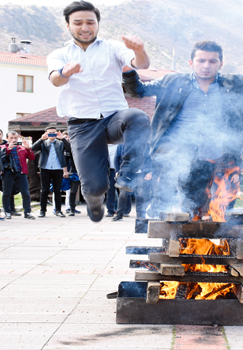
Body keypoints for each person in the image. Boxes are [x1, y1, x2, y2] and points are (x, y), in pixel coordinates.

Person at [48, 0, 151, 222]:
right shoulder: (60, 54)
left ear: (97, 24)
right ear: (68, 25)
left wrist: (140, 51)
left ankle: (127, 174)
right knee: (96, 186)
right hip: (82, 124)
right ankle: (94, 202)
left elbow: (139, 64)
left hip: (115, 117)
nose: (85, 27)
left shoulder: (112, 47)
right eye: (78, 23)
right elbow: (55, 80)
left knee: (138, 117)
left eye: (90, 22)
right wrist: (65, 72)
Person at [123, 40, 243, 218]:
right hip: (176, 154)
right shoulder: (173, 81)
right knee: (177, 207)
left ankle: (208, 243)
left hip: (215, 154)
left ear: (220, 64)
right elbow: (138, 91)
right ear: (191, 63)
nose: (206, 66)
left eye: (213, 61)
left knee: (215, 207)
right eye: (201, 61)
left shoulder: (232, 84)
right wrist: (128, 72)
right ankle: (177, 241)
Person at [32, 127, 70, 218]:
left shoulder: (60, 143)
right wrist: (41, 139)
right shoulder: (43, 143)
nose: (52, 134)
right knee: (44, 190)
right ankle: (42, 211)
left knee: (57, 190)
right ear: (46, 133)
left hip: (58, 169)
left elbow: (70, 149)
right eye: (50, 133)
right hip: (45, 168)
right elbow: (33, 148)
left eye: (54, 133)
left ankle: (58, 210)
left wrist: (63, 138)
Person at [1, 131, 36, 220]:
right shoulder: (2, 147)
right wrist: (9, 149)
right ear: (7, 139)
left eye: (15, 138)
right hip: (8, 173)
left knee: (25, 193)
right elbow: (1, 158)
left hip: (21, 172)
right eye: (11, 138)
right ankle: (7, 212)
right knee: (7, 193)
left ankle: (27, 212)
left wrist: (28, 148)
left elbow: (32, 158)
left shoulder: (22, 148)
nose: (13, 140)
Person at [111, 144, 131, 221]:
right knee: (123, 194)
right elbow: (116, 158)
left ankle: (141, 216)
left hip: (138, 172)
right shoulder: (121, 145)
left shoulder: (141, 143)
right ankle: (119, 215)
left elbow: (147, 158)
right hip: (124, 173)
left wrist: (148, 172)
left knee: (140, 194)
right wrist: (117, 171)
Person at [105, 144, 118, 217]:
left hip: (117, 170)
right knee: (109, 191)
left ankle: (123, 210)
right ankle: (110, 210)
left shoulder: (119, 146)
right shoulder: (104, 146)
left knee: (122, 191)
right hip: (106, 170)